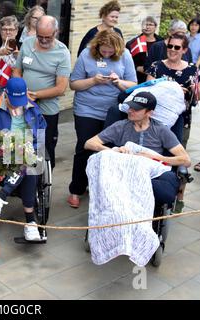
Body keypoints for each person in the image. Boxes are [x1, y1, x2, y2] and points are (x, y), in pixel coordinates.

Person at [67, 29, 137, 209]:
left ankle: (100, 188)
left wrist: (118, 82)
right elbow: (74, 83)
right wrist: (93, 81)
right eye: (103, 51)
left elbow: (133, 85)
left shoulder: (125, 55)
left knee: (108, 150)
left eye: (110, 52)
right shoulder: (86, 54)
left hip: (113, 110)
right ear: (97, 46)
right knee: (85, 145)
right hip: (86, 108)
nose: (106, 54)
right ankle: (76, 189)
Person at [85, 91, 190, 206]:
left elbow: (186, 160)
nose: (130, 110)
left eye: (136, 109)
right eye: (131, 107)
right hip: (125, 171)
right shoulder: (120, 126)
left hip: (151, 172)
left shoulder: (161, 130)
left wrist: (155, 157)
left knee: (166, 193)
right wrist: (114, 151)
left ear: (149, 113)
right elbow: (89, 143)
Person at [0, 77, 47, 241]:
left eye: (21, 100)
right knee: (28, 162)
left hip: (28, 152)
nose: (18, 104)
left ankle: (1, 196)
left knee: (29, 161)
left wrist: (32, 147)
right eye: (14, 100)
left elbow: (41, 134)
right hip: (0, 153)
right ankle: (30, 221)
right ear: (5, 93)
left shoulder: (33, 108)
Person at [146, 33, 199, 212]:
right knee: (158, 155)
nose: (172, 50)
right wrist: (175, 89)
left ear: (184, 50)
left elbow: (194, 100)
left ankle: (180, 194)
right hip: (155, 119)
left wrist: (191, 91)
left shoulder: (192, 69)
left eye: (177, 47)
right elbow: (149, 93)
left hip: (180, 120)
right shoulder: (156, 66)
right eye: (170, 46)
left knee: (178, 156)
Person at [13, 15, 71, 171]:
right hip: (22, 104)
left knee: (45, 146)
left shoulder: (62, 52)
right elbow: (17, 71)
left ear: (56, 32)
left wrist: (36, 95)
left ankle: (43, 180)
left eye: (48, 37)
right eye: (40, 36)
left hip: (46, 109)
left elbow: (61, 88)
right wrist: (20, 91)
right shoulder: (27, 44)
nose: (44, 40)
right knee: (20, 143)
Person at [126, 16, 163, 84]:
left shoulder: (162, 42)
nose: (147, 27)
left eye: (150, 25)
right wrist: (137, 68)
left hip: (157, 78)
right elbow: (126, 61)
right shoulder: (132, 43)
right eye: (145, 25)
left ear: (155, 27)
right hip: (138, 78)